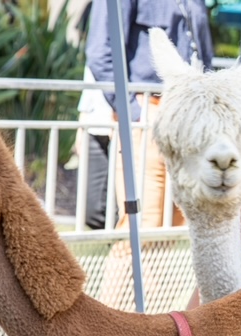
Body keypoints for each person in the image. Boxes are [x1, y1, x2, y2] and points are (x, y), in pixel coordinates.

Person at [85, 0, 214, 228]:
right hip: (148, 112)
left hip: (192, 119)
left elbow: (204, 56)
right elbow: (100, 53)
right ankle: (126, 266)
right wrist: (134, 111)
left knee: (177, 223)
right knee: (142, 223)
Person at [74, 65, 117, 230]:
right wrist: (81, 125)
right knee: (90, 209)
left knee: (124, 203)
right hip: (94, 125)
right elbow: (90, 82)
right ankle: (117, 244)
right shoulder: (97, 45)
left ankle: (123, 248)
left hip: (126, 126)